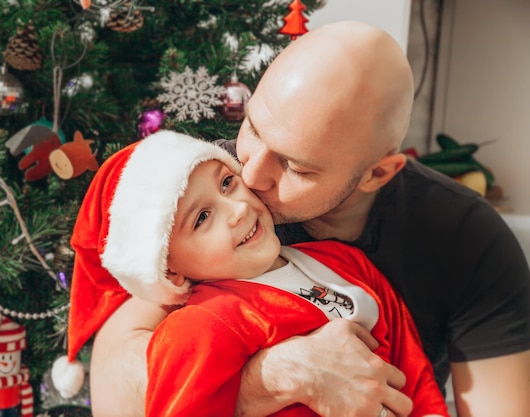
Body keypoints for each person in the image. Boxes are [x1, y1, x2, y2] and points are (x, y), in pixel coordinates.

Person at [74, 21, 530, 417]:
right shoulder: (202, 186)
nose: (249, 176)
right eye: (253, 126)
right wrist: (276, 375)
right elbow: (115, 397)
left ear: (376, 174)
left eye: (295, 167)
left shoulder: (467, 238)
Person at [67, 130, 449, 417]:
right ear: (172, 271)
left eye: (227, 182)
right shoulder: (203, 325)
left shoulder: (339, 260)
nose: (236, 209)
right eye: (202, 218)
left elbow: (409, 358)